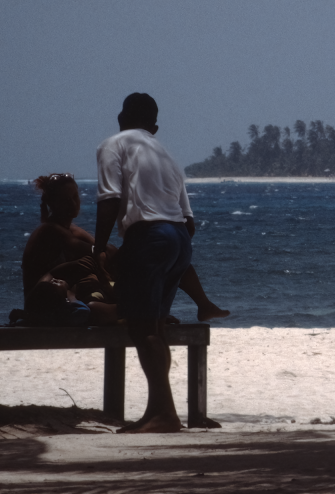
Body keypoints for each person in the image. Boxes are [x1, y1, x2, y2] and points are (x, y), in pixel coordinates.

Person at [94, 92, 206, 433]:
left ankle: (165, 414)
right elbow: (189, 222)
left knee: (141, 328)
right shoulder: (166, 155)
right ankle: (157, 409)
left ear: (120, 117)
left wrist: (99, 247)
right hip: (178, 238)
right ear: (153, 126)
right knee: (156, 327)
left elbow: (110, 199)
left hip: (149, 237)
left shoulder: (112, 144)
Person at [22, 173, 229, 322]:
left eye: (75, 197)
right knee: (97, 309)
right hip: (46, 300)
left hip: (76, 294)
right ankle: (142, 313)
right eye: (65, 200)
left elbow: (106, 251)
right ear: (52, 203)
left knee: (167, 259)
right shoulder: (49, 231)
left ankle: (201, 304)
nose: (72, 203)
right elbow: (94, 252)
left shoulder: (73, 230)